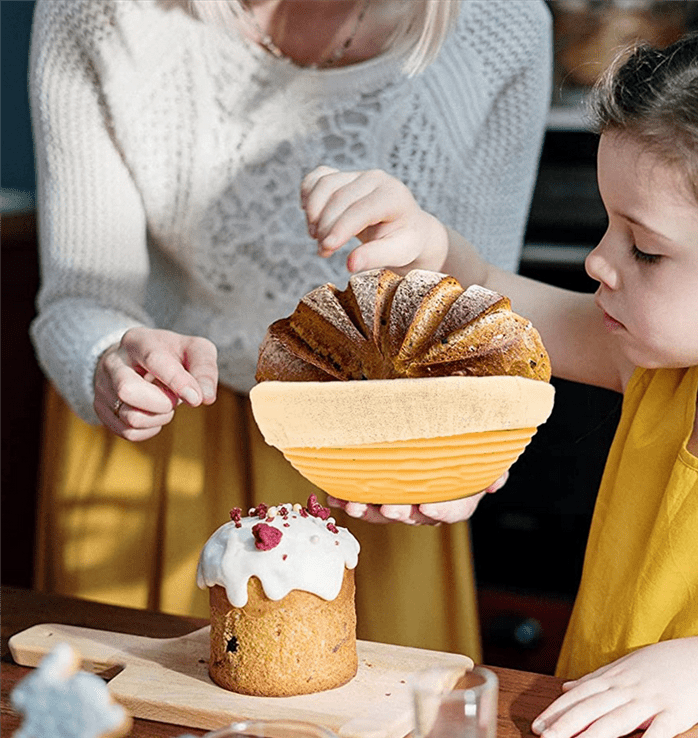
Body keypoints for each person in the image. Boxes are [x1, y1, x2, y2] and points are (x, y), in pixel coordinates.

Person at [28, 0, 552, 661]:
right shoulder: (101, 12)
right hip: (160, 436)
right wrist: (109, 358)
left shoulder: (500, 25)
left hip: (377, 461)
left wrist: (467, 447)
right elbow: (80, 298)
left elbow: (481, 319)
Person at [300, 22, 698, 738]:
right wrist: (428, 244)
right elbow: (487, 295)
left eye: (645, 249)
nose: (598, 260)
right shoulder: (654, 366)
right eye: (609, 227)